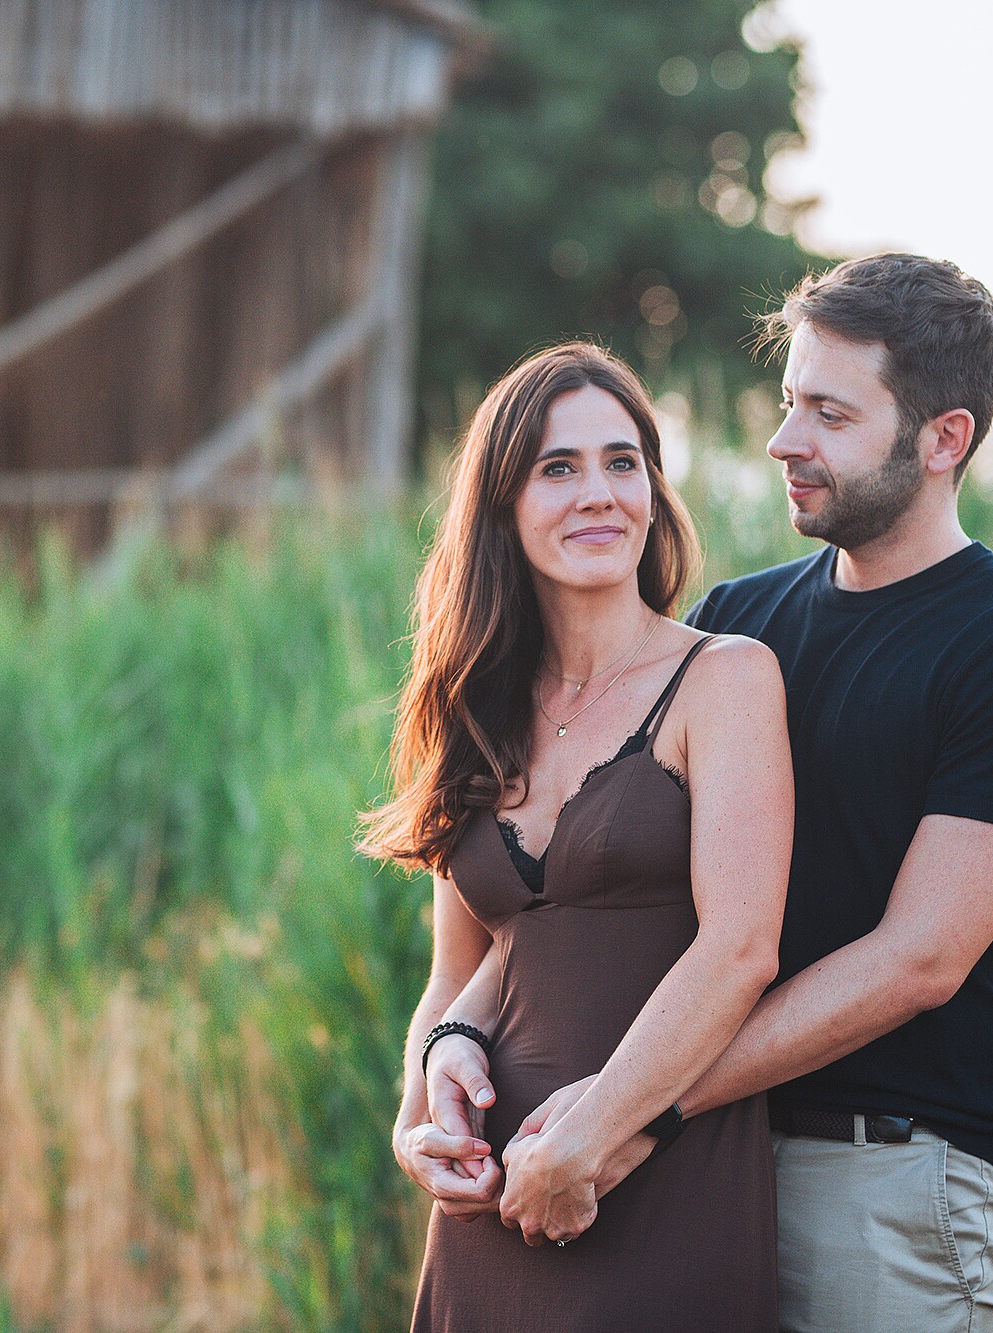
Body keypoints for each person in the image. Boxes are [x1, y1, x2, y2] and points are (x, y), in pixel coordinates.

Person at [502, 254, 993, 1332]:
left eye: (827, 412)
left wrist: (635, 1106)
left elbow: (913, 961)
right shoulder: (738, 621)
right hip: (696, 1166)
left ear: (941, 440)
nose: (783, 441)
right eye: (788, 403)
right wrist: (465, 1053)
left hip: (879, 1182)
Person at [359, 342, 793, 1330]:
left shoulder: (722, 678)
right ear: (501, 508)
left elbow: (739, 949)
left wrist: (591, 1135)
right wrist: (417, 1116)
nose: (596, 493)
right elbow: (454, 973)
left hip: (651, 1179)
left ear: (651, 489)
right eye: (556, 469)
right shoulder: (475, 708)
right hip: (489, 1201)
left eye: (620, 462)